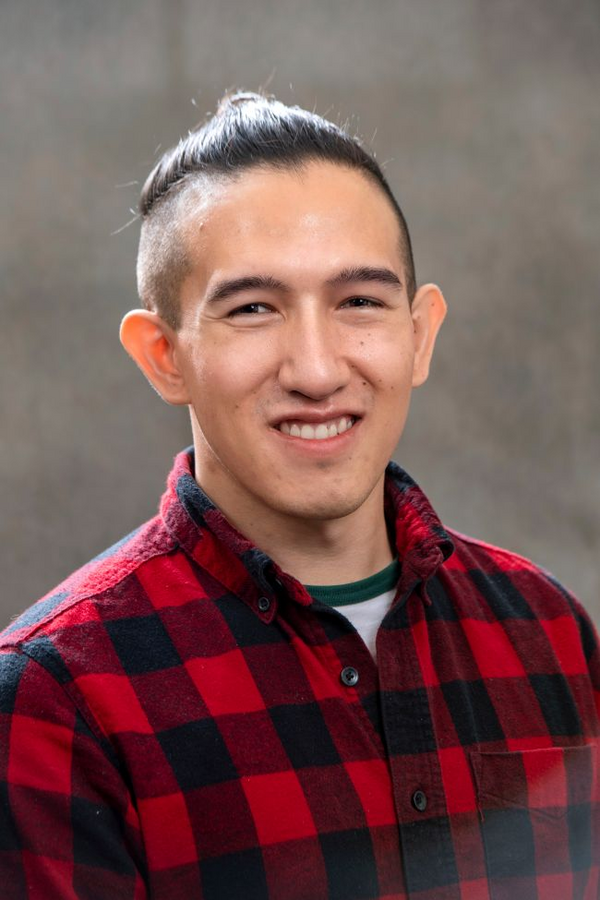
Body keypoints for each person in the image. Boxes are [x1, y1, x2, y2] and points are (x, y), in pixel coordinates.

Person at [0, 92, 598, 900]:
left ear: (419, 335)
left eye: (360, 302)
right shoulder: (54, 701)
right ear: (164, 355)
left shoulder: (551, 632)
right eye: (253, 309)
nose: (316, 371)